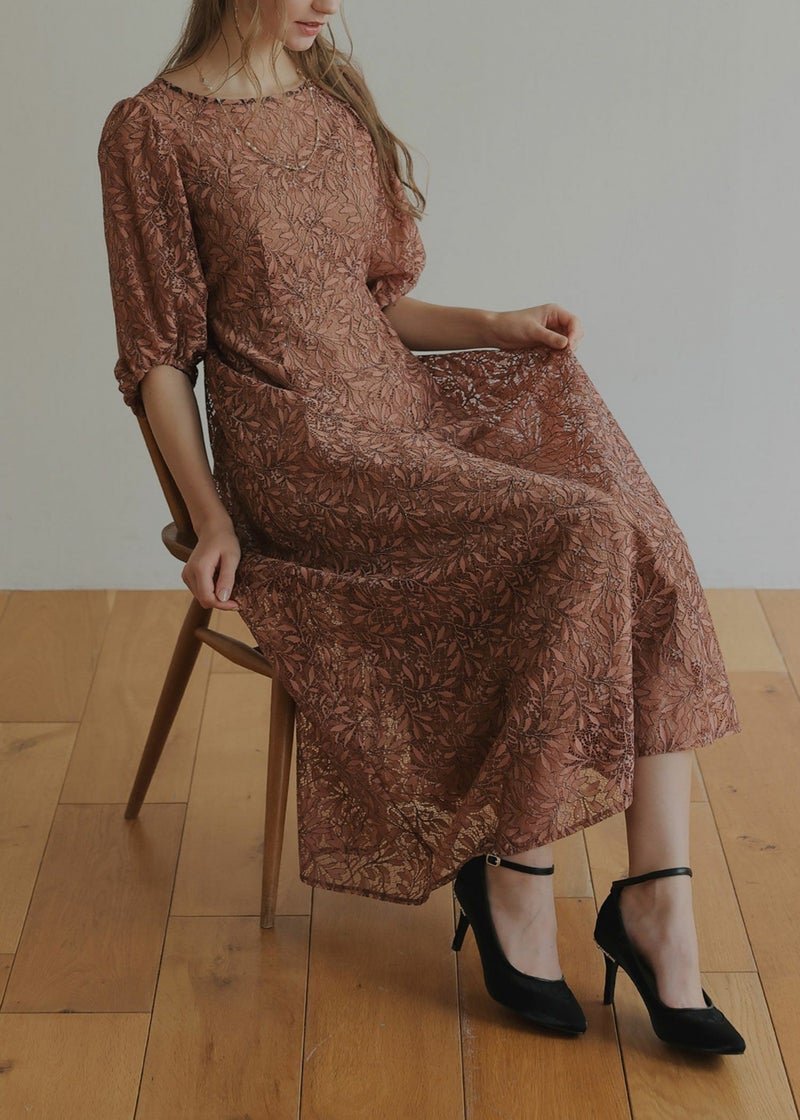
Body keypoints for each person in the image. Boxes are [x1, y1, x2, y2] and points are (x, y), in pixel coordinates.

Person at [97, 0, 745, 1052]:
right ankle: (514, 868)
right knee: (582, 531)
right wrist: (209, 516)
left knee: (635, 534)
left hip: (407, 411)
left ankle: (657, 896)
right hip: (305, 456)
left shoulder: (331, 98)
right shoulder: (152, 130)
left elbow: (369, 301)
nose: (327, 3)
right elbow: (160, 356)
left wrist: (494, 324)